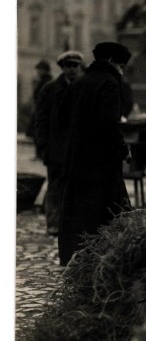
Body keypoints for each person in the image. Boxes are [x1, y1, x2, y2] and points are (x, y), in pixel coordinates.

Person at [57, 42, 133, 266]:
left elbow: (62, 117)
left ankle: (74, 257)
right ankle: (102, 260)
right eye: (121, 65)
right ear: (110, 62)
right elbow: (110, 125)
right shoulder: (110, 83)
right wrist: (122, 148)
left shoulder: (79, 81)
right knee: (104, 212)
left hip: (75, 162)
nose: (122, 70)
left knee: (78, 212)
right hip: (100, 165)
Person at [34, 50, 84, 236]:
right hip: (55, 148)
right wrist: (43, 146)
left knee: (75, 188)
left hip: (76, 149)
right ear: (62, 68)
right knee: (55, 187)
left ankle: (71, 224)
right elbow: (41, 120)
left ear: (79, 67)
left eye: (75, 66)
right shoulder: (49, 90)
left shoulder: (83, 89)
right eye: (68, 66)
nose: (71, 70)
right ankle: (54, 224)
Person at [26, 59, 53, 154]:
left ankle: (40, 153)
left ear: (45, 70)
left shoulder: (46, 81)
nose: (38, 72)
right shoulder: (42, 81)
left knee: (40, 132)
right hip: (39, 109)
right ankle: (39, 153)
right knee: (37, 132)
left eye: (40, 69)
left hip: (43, 110)